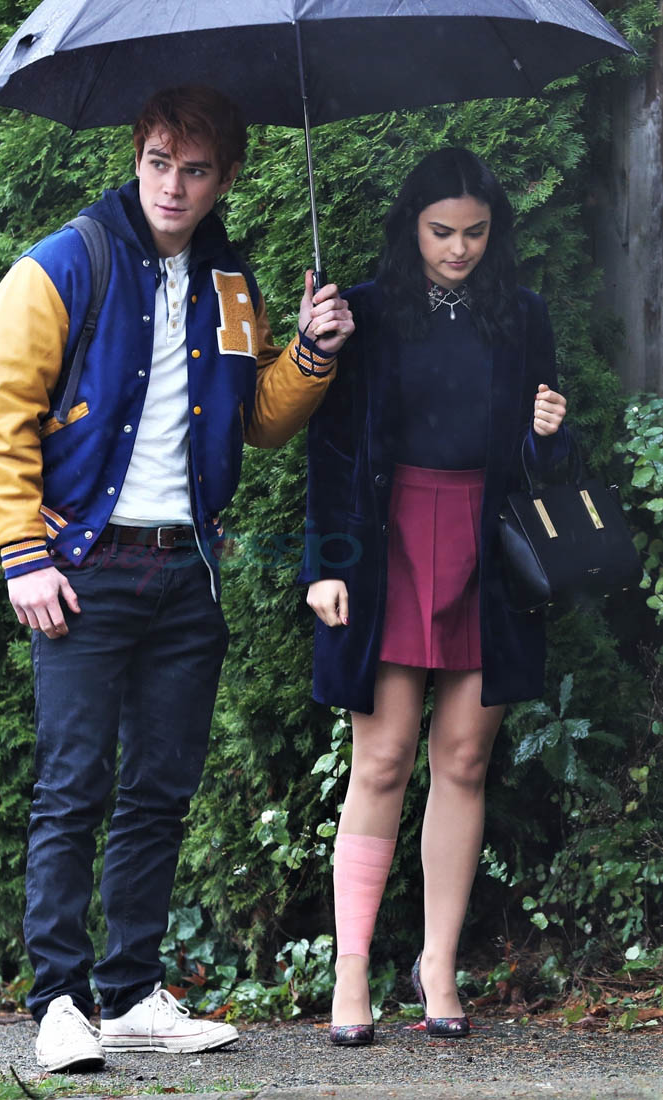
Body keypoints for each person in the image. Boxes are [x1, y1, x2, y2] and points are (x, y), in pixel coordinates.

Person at [0, 85, 354, 1072]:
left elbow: (255, 419)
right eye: (157, 163)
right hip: (82, 570)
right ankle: (58, 1001)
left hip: (188, 572)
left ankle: (131, 993)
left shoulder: (230, 282)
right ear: (136, 155)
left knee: (158, 792)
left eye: (195, 169)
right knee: (71, 787)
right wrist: (22, 554)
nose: (172, 186)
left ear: (227, 177)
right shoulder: (63, 264)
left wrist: (310, 353)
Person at [299, 148, 567, 1046]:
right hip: (388, 546)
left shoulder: (521, 315)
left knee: (461, 759)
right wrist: (324, 564)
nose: (458, 249)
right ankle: (350, 972)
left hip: (485, 548)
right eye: (441, 232)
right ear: (410, 226)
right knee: (380, 761)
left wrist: (547, 435)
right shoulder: (363, 313)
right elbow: (330, 448)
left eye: (475, 233)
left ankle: (437, 964)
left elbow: (540, 469)